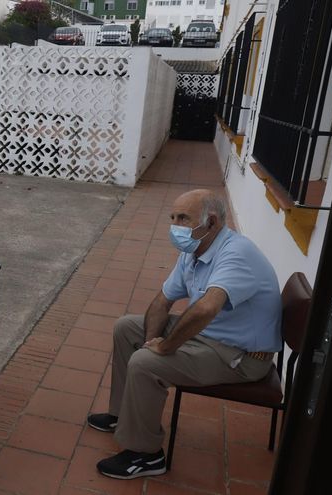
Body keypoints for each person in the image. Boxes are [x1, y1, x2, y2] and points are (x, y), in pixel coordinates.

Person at [86, 189, 281, 479]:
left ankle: (147, 454)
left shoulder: (237, 253)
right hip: (210, 337)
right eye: (173, 218)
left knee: (145, 363)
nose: (175, 226)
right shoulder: (194, 249)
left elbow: (205, 309)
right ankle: (122, 415)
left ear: (211, 222)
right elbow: (163, 300)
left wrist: (163, 349)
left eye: (183, 218)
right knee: (127, 327)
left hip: (239, 356)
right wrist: (152, 339)